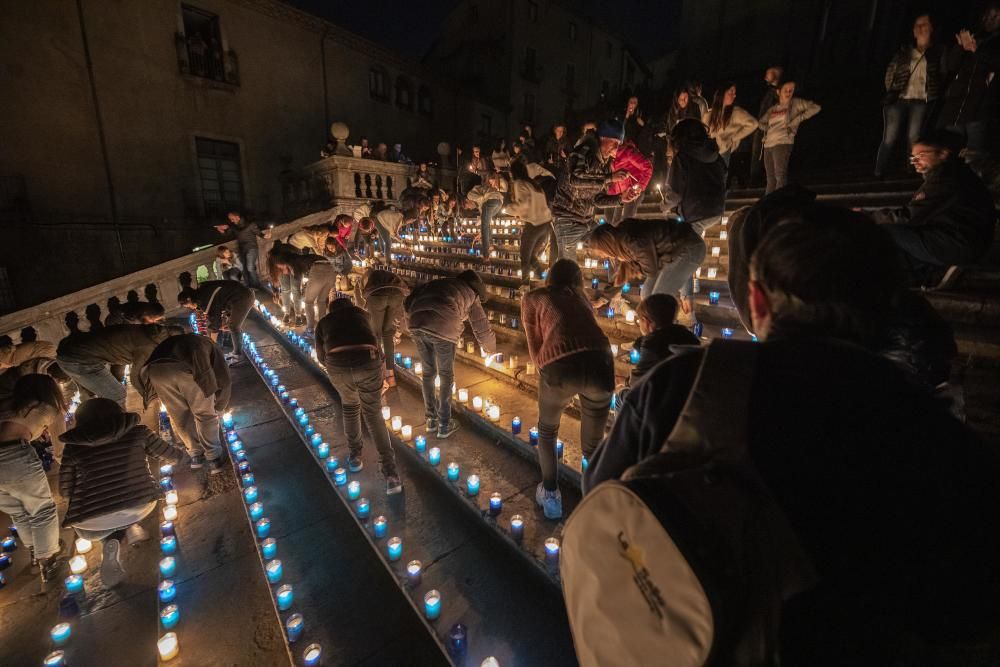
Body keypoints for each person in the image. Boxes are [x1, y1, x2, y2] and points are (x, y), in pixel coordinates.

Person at [583, 212, 1000, 665]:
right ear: (886, 304)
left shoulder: (682, 384)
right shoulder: (934, 434)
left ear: (757, 302)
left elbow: (601, 497)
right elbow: (968, 609)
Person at [59, 397, 186, 587]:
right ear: (119, 414)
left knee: (103, 519)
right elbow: (173, 456)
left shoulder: (72, 448)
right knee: (133, 500)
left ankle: (110, 541)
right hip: (139, 505)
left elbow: (65, 490)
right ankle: (130, 525)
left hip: (91, 526)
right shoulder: (139, 433)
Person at [521, 260, 612, 519]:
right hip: (601, 363)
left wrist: (543, 367)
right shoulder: (582, 299)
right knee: (593, 445)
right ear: (577, 280)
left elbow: (533, 340)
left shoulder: (535, 297)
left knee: (548, 432)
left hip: (560, 365)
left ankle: (551, 497)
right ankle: (596, 502)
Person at [869, 129, 996, 288]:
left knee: (887, 228)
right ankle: (921, 270)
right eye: (913, 157)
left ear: (943, 153)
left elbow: (909, 216)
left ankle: (912, 275)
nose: (915, 161)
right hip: (966, 240)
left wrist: (870, 217)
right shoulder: (952, 173)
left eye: (921, 156)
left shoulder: (945, 179)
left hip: (962, 245)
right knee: (902, 231)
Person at [316, 298, 402, 494]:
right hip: (367, 359)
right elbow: (377, 344)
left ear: (331, 311)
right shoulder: (364, 316)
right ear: (351, 307)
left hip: (337, 364)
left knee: (350, 407)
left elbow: (321, 356)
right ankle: (390, 474)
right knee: (373, 415)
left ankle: (355, 456)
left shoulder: (324, 322)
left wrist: (338, 367)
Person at [404, 271, 497, 439]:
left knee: (428, 373)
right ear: (476, 287)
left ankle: (431, 420)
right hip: (443, 326)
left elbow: (409, 300)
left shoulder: (443, 283)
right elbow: (480, 325)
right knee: (445, 374)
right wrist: (489, 349)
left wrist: (414, 318)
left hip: (415, 323)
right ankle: (444, 424)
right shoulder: (470, 294)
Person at [0, 374, 68, 581]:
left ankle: (35, 550)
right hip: (14, 457)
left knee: (18, 512)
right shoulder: (48, 408)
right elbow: (59, 447)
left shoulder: (8, 404)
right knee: (42, 509)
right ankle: (48, 558)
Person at [140, 333, 230, 473]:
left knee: (179, 415)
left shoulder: (178, 341)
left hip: (157, 372)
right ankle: (214, 458)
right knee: (204, 414)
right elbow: (224, 379)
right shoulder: (211, 346)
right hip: (188, 369)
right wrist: (219, 407)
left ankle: (195, 455)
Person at [875, 15, 942, 178]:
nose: (920, 28)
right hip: (898, 100)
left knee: (914, 137)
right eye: (917, 25)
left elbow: (940, 75)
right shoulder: (904, 52)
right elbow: (890, 73)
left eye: (924, 25)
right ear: (913, 31)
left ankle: (911, 169)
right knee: (889, 137)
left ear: (931, 29)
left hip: (921, 100)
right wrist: (892, 90)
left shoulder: (936, 53)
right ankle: (879, 171)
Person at [57, 323, 179, 408]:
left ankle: (91, 420)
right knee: (117, 394)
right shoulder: (148, 347)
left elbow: (119, 349)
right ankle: (120, 430)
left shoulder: (150, 331)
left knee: (89, 394)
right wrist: (150, 398)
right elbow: (136, 377)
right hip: (79, 360)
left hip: (72, 350)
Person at [550, 119, 623, 260]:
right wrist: (608, 178)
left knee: (611, 245)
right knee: (568, 270)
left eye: (618, 144)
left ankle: (616, 280)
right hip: (567, 219)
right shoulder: (583, 151)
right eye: (614, 142)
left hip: (586, 221)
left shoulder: (605, 164)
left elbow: (597, 199)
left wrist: (620, 198)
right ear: (603, 138)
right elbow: (575, 180)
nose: (616, 148)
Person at [938, 2, 1000, 161]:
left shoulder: (995, 43)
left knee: (974, 156)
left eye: (996, 16)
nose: (990, 20)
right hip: (956, 103)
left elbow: (995, 62)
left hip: (979, 106)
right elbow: (951, 66)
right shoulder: (975, 36)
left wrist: (976, 50)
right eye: (988, 16)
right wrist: (960, 47)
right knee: (948, 151)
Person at [588, 218, 706, 301]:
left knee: (658, 298)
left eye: (600, 251)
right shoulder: (622, 246)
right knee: (646, 294)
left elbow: (650, 270)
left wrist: (631, 268)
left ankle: (665, 331)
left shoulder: (630, 239)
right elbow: (623, 275)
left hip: (688, 248)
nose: (602, 256)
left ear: (606, 244)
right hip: (671, 254)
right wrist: (604, 299)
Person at [616, 294, 699, 404]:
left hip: (662, 403)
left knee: (621, 397)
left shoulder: (653, 343)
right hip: (686, 398)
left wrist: (625, 382)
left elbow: (637, 383)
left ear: (646, 321)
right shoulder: (689, 336)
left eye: (639, 321)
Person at [661, 118, 728, 234]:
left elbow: (675, 193)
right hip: (716, 209)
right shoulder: (714, 154)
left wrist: (664, 205)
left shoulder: (682, 158)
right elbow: (724, 173)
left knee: (689, 246)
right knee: (694, 241)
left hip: (695, 212)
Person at [759, 81, 822, 194]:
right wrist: (768, 129)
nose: (788, 93)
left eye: (791, 90)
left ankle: (780, 205)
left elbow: (816, 107)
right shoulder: (773, 109)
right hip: (768, 144)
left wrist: (798, 119)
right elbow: (761, 123)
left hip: (783, 142)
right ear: (778, 92)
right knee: (770, 179)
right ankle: (768, 207)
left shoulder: (796, 103)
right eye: (786, 90)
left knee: (780, 176)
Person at [176, 279, 254, 362]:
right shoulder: (201, 292)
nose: (190, 308)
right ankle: (236, 351)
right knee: (230, 324)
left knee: (233, 326)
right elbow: (218, 308)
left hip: (243, 297)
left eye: (188, 306)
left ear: (189, 299)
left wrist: (211, 345)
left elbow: (215, 325)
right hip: (235, 296)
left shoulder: (204, 301)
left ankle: (238, 355)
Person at [356, 268, 408, 388]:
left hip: (376, 296)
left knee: (376, 334)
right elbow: (402, 316)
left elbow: (361, 302)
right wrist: (399, 332)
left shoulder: (365, 278)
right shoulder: (389, 275)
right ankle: (391, 375)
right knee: (388, 333)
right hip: (396, 294)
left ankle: (379, 373)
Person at [506, 160, 556, 286]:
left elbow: (523, 204)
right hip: (546, 224)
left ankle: (525, 285)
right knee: (532, 254)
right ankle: (541, 275)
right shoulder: (534, 184)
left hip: (534, 225)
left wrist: (509, 208)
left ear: (513, 173)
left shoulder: (520, 183)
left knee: (525, 257)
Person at [266, 253, 338, 336]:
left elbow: (298, 284)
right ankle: (323, 328)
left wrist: (304, 293)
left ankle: (310, 329)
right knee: (321, 301)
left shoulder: (293, 263)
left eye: (280, 268)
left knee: (308, 302)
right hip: (331, 271)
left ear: (284, 263)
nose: (282, 271)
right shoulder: (300, 259)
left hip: (318, 270)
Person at [703, 83, 758, 167]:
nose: (734, 95)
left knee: (720, 177)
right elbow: (703, 133)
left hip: (723, 151)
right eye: (731, 92)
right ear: (722, 93)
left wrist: (734, 138)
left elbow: (753, 123)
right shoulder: (708, 115)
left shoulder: (735, 112)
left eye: (734, 93)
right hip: (709, 152)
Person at [213, 211, 266, 288]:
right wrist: (221, 230)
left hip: (251, 248)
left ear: (237, 217)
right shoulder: (234, 227)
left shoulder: (250, 224)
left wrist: (265, 236)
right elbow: (227, 234)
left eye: (232, 218)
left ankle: (257, 285)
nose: (231, 220)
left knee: (250, 267)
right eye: (230, 219)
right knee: (244, 268)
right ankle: (248, 286)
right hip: (242, 250)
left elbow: (259, 233)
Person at [606, 137, 653, 224]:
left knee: (627, 220)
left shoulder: (628, 152)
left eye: (610, 150)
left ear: (616, 144)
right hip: (621, 194)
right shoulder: (613, 159)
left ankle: (629, 237)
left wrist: (640, 186)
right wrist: (611, 192)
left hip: (632, 192)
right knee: (615, 221)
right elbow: (617, 180)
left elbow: (647, 167)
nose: (609, 152)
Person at [750, 66, 784, 186]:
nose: (765, 77)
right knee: (758, 155)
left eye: (768, 74)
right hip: (762, 127)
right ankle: (756, 180)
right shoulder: (769, 92)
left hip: (770, 130)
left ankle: (760, 181)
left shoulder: (779, 91)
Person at [464, 172, 507, 253]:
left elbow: (481, 198)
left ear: (467, 201)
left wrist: (481, 223)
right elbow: (484, 216)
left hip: (491, 199)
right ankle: (490, 244)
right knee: (486, 221)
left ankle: (486, 252)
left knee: (485, 224)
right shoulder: (480, 206)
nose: (470, 208)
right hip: (499, 202)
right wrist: (480, 232)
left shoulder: (469, 195)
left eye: (468, 206)